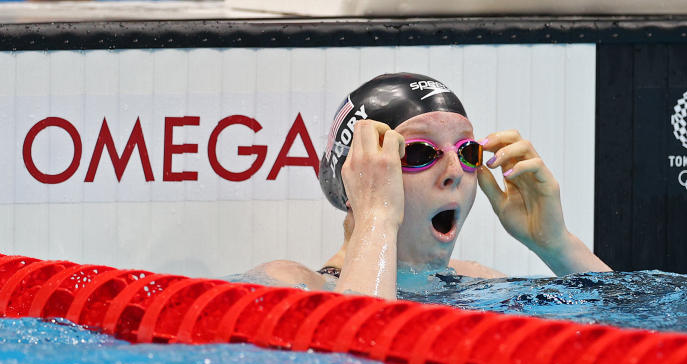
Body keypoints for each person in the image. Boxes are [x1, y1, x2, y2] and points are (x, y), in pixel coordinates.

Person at [248, 72, 610, 300]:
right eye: (420, 151)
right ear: (357, 175)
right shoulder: (289, 285)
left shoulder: (481, 284)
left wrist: (556, 244)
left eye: (468, 151)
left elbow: (640, 339)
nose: (454, 171)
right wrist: (376, 218)